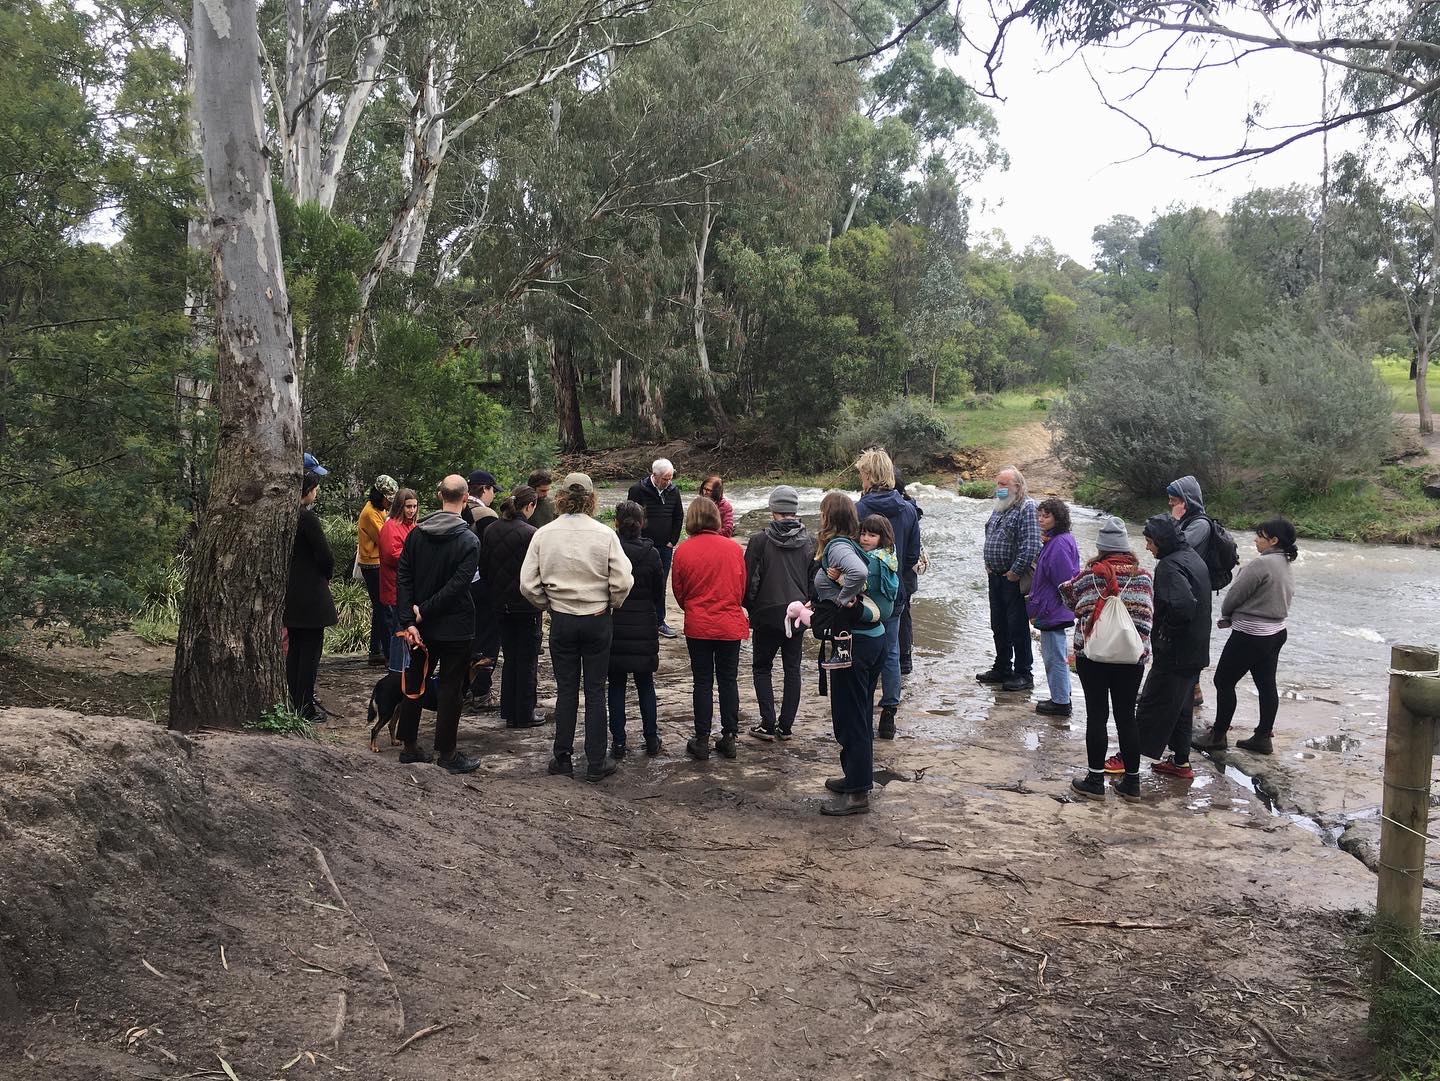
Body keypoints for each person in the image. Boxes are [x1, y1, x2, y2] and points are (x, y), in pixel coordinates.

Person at [520, 472, 633, 782]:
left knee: (567, 689)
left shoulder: (544, 534)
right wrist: (611, 602)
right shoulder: (605, 534)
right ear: (592, 498)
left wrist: (549, 604)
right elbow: (623, 580)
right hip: (597, 619)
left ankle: (563, 758)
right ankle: (596, 762)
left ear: (560, 496)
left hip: (562, 620)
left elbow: (527, 584)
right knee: (596, 690)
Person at [1060, 516, 1155, 801]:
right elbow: (1150, 615)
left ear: (1101, 548)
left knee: (1097, 715)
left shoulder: (1089, 575)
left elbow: (1067, 597)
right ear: (1127, 548)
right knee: (1127, 717)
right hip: (1132, 657)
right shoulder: (1144, 577)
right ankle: (1133, 784)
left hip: (1094, 656)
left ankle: (1094, 780)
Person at [394, 474, 482, 774]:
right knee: (450, 688)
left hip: (421, 627)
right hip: (455, 626)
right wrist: (418, 615)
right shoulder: (469, 540)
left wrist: (411, 618)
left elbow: (402, 577)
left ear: (438, 494)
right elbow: (458, 586)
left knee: (415, 680)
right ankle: (447, 753)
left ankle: (409, 745)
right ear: (467, 496)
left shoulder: (416, 534)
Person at [1193, 519, 1299, 756]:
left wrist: (1226, 615)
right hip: (1276, 632)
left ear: (1274, 541)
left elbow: (1234, 595)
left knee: (1223, 681)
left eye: (1260, 536)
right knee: (1266, 684)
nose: (1255, 539)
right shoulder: (1285, 563)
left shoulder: (1261, 564)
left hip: (1251, 633)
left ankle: (1218, 735)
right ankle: (1263, 736)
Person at [814, 492, 887, 816]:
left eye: (821, 512)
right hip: (872, 640)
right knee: (858, 712)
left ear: (829, 516)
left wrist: (843, 600)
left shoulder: (839, 546)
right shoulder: (853, 543)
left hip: (855, 643)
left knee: (851, 715)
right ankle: (855, 778)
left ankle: (857, 793)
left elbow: (857, 573)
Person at [671, 496, 749, 761]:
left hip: (699, 624)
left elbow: (679, 593)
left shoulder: (682, 551)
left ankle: (702, 738)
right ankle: (729, 737)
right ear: (716, 518)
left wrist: (694, 608)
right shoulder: (734, 549)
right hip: (729, 623)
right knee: (728, 680)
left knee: (702, 682)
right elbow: (741, 589)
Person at [1134, 514, 1211, 780]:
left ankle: (1128, 761)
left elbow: (1182, 607)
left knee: (1151, 705)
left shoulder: (1168, 566)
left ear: (1160, 541)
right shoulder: (1192, 557)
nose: (1147, 548)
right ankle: (1180, 763)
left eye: (1149, 542)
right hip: (1196, 650)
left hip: (1175, 654)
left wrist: (1165, 635)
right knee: (1181, 709)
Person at [855, 448, 921, 738]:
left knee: (860, 651)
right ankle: (889, 713)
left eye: (861, 474)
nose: (860, 479)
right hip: (895, 591)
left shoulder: (859, 510)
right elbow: (912, 557)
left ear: (869, 475)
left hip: (863, 594)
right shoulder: (908, 509)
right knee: (892, 651)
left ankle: (861, 711)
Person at [743, 485, 815, 741]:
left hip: (766, 612)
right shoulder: (810, 541)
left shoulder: (759, 540)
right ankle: (786, 727)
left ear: (773, 509)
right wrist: (808, 607)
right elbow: (813, 581)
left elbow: (749, 580)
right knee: (792, 669)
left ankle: (767, 722)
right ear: (794, 511)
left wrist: (750, 608)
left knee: (762, 668)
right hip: (797, 614)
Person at [481, 485, 545, 730]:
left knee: (509, 657)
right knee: (527, 659)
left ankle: (508, 710)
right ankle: (524, 713)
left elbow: (484, 568)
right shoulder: (531, 533)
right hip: (526, 606)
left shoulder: (491, 529)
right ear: (529, 506)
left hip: (500, 605)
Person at [976, 465, 1041, 692]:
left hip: (1014, 578)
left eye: (1004, 484)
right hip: (995, 576)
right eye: (998, 484)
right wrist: (988, 563)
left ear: (1017, 486)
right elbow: (990, 535)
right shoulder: (1000, 507)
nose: (1000, 488)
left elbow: (1032, 544)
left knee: (1017, 626)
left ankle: (1024, 672)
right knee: (999, 624)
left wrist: (1015, 571)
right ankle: (1002, 666)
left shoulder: (1027, 507)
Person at [609, 500, 665, 758]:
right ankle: (651, 738)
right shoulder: (652, 554)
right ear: (642, 524)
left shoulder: (611, 551)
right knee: (645, 684)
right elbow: (658, 593)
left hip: (615, 624)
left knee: (616, 685)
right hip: (644, 623)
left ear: (616, 524)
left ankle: (619, 743)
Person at [284, 459, 338, 722]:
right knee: (309, 656)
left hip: (291, 595)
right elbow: (325, 556)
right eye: (315, 487)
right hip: (311, 597)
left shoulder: (284, 516)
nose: (317, 492)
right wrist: (326, 574)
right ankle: (304, 707)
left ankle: (294, 701)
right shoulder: (307, 518)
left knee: (295, 651)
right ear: (307, 488)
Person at [1027, 497, 1081, 717]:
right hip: (1054, 607)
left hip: (1053, 608)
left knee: (1054, 655)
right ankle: (1062, 696)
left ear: (1058, 518)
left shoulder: (1058, 544)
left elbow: (1064, 581)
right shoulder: (1058, 539)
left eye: (1046, 516)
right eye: (1039, 515)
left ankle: (1060, 702)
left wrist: (1043, 607)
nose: (1041, 519)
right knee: (1055, 653)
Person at [1167, 475, 1214, 706]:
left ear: (1186, 501)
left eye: (1174, 500)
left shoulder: (1200, 524)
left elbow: (1175, 544)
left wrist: (1173, 521)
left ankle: (1192, 692)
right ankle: (1190, 690)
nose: (1170, 504)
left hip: (1195, 591)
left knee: (1191, 640)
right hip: (1182, 587)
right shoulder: (1187, 520)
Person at [627, 458, 684, 638]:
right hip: (641, 546)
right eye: (665, 478)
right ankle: (638, 620)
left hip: (664, 546)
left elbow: (678, 516)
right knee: (638, 582)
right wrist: (636, 540)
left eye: (670, 478)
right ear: (655, 475)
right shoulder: (637, 490)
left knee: (660, 584)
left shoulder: (673, 491)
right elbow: (629, 516)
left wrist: (672, 541)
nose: (669, 482)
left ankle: (659, 621)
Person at [463, 469, 502, 705]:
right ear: (485, 489)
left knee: (468, 638)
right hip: (483, 585)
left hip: (461, 586)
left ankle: (464, 687)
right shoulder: (487, 515)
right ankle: (481, 691)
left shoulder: (459, 509)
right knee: (487, 639)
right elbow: (494, 554)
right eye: (493, 491)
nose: (494, 496)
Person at [356, 475, 398, 665]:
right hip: (373, 564)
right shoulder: (371, 513)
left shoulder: (377, 510)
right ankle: (389, 653)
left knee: (380, 608)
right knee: (384, 608)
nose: (390, 502)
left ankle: (376, 650)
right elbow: (385, 537)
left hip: (374, 562)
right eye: (389, 498)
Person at [378, 488, 419, 678]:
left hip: (409, 588)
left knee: (406, 629)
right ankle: (396, 670)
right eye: (408, 506)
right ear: (400, 507)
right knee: (397, 631)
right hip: (394, 586)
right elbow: (390, 555)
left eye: (414, 506)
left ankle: (404, 668)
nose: (411, 510)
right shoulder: (391, 526)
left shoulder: (413, 526)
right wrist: (415, 558)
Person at [893, 467, 925, 676]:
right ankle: (905, 658)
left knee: (902, 615)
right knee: (904, 614)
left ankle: (903, 658)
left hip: (902, 572)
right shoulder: (911, 507)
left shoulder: (906, 509)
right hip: (907, 572)